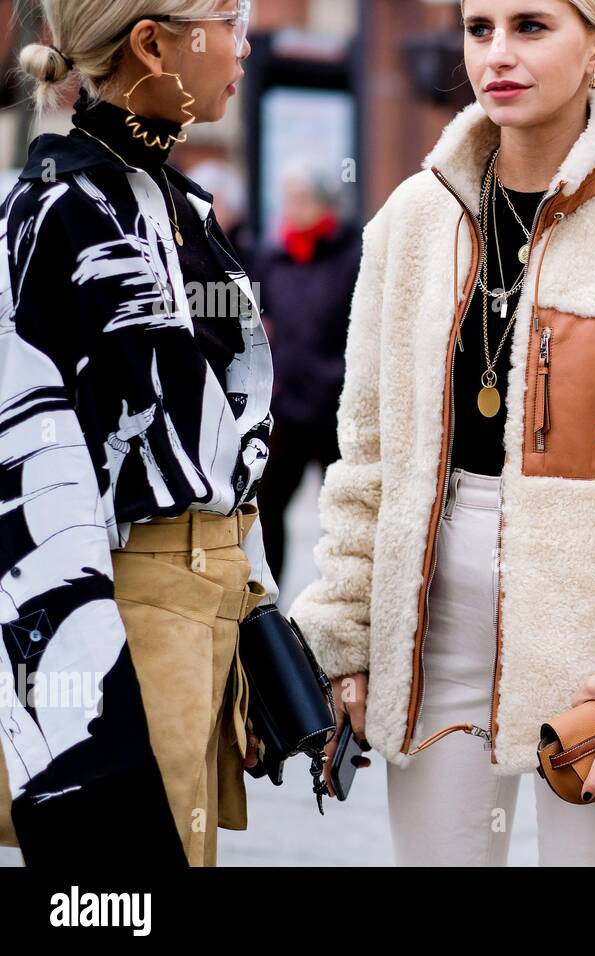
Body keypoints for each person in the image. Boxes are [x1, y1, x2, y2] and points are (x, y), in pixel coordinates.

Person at [288, 0, 595, 866]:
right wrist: (347, 638)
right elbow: (364, 456)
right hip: (427, 628)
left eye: (531, 26)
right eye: (481, 29)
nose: (498, 54)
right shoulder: (411, 220)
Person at [0, 0, 275, 866]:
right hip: (123, 613)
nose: (246, 38)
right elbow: (30, 472)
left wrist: (259, 603)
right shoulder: (57, 212)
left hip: (204, 601)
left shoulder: (169, 201)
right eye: (230, 15)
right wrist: (82, 704)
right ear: (154, 43)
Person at [254, 164, 362, 581]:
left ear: (324, 204)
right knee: (267, 504)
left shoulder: (353, 255)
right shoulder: (274, 256)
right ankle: (269, 601)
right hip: (287, 404)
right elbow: (255, 317)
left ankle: (340, 596)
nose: (290, 209)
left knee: (341, 513)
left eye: (300, 199)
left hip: (337, 407)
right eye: (288, 199)